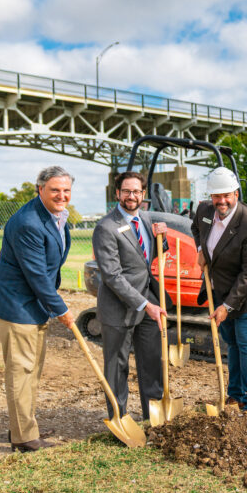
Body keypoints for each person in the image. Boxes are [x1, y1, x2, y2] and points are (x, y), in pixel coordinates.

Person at [0, 166, 75, 452]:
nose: (62, 195)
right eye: (55, 190)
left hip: (33, 304)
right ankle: (23, 438)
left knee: (32, 369)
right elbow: (36, 275)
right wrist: (61, 310)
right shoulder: (28, 223)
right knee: (22, 370)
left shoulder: (57, 217)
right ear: (40, 190)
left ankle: (24, 425)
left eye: (66, 190)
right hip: (15, 305)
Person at [191, 167, 247, 412]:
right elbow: (196, 229)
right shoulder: (205, 211)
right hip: (220, 288)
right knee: (232, 342)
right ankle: (235, 394)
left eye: (227, 195)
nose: (222, 201)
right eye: (217, 196)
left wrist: (227, 307)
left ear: (236, 194)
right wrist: (201, 250)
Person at [92, 171, 169, 422]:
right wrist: (145, 304)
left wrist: (163, 238)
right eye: (126, 191)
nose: (131, 196)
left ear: (143, 194)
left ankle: (152, 419)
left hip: (148, 301)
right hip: (119, 308)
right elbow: (112, 276)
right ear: (117, 194)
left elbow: (149, 258)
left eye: (136, 191)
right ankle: (119, 420)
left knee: (151, 363)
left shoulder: (146, 219)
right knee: (117, 368)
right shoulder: (106, 227)